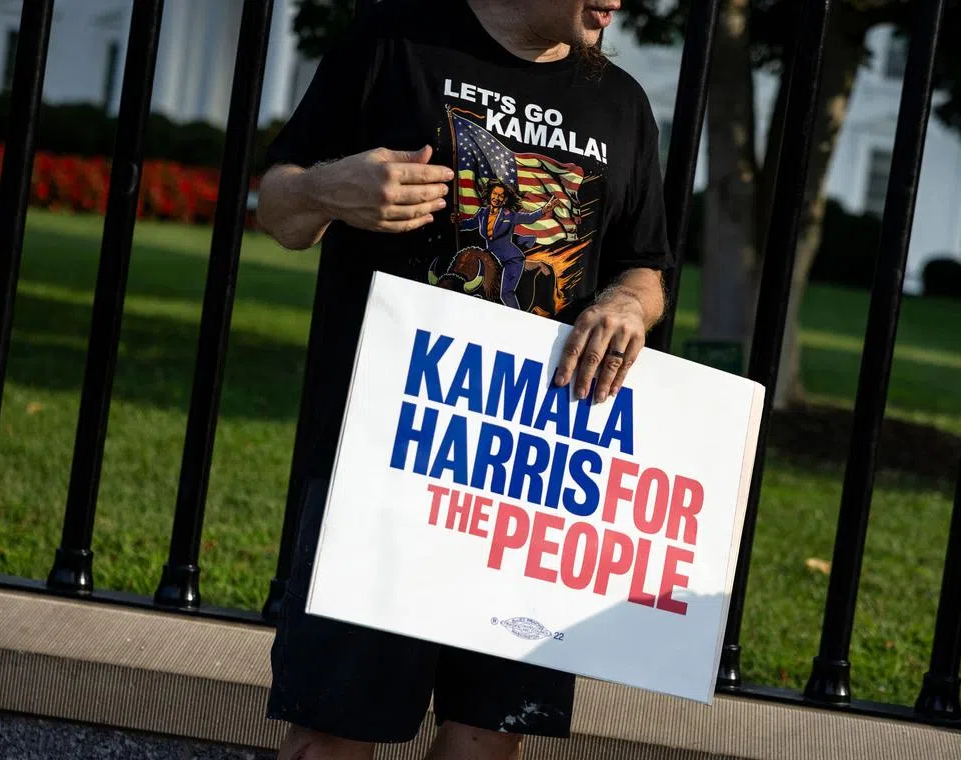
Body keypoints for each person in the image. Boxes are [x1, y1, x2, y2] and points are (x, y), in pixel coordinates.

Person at [255, 0, 673, 758]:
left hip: (528, 481)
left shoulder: (622, 103)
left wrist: (625, 303)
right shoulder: (393, 41)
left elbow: (646, 266)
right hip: (384, 464)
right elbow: (275, 206)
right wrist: (329, 189)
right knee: (333, 732)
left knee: (488, 737)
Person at [457, 180, 557, 308]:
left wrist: (543, 210)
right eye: (494, 194)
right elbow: (470, 224)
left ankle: (516, 317)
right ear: (490, 194)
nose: (496, 198)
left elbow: (529, 218)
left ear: (504, 199)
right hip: (492, 259)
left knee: (505, 294)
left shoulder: (510, 215)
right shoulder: (482, 213)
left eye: (500, 196)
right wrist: (458, 221)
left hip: (511, 260)